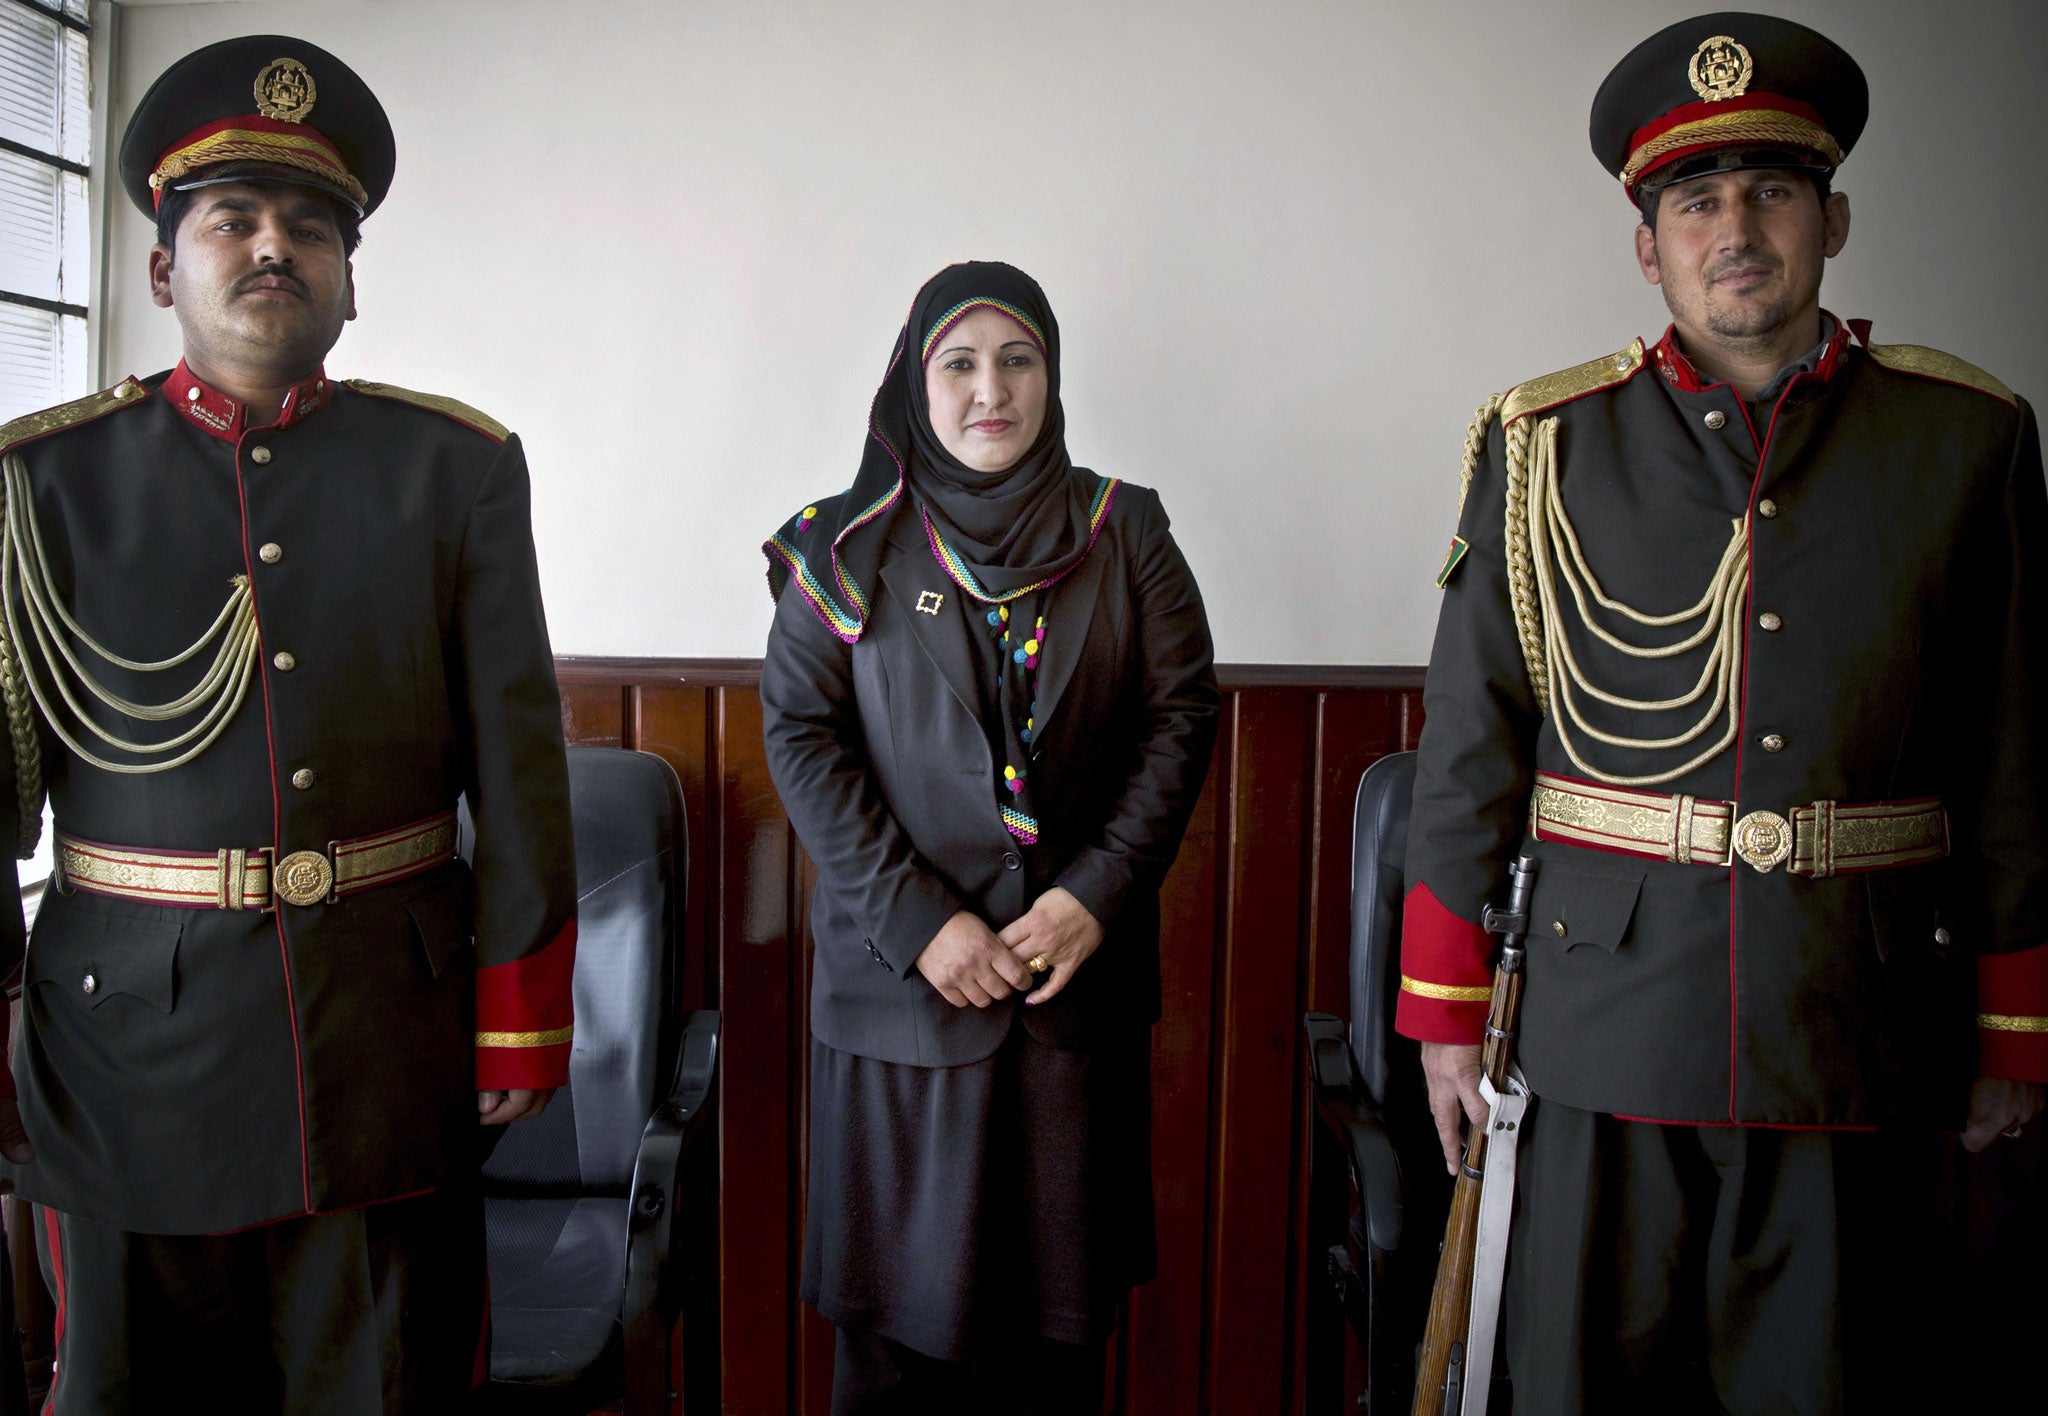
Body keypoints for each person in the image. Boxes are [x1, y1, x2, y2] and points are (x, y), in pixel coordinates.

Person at [1396, 11, 2047, 1412]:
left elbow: (2012, 753)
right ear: (1648, 247)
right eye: (1695, 202)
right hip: (1602, 1025)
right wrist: (1445, 1015)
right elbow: (1469, 746)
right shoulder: (1541, 446)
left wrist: (2011, 1022)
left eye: (1771, 192)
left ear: (1833, 220)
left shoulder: (1966, 439)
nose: (1734, 229)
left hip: (1853, 1022)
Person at [0, 36, 577, 1411]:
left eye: (310, 227)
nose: (274, 246)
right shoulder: (42, 482)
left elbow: (519, 770)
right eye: (233, 219)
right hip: (124, 1057)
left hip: (381, 1044)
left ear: (350, 282)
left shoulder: (455, 470)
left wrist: (517, 1019)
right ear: (163, 271)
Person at [760, 261, 1218, 1413]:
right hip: (901, 998)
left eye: (1017, 360)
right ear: (915, 386)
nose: (989, 390)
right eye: (958, 364)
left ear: (1049, 377)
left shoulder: (1125, 529)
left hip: (1069, 985)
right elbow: (802, 738)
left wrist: (1094, 895)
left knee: (1053, 1341)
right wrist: (920, 923)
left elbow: (1178, 719)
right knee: (891, 1341)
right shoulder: (843, 545)